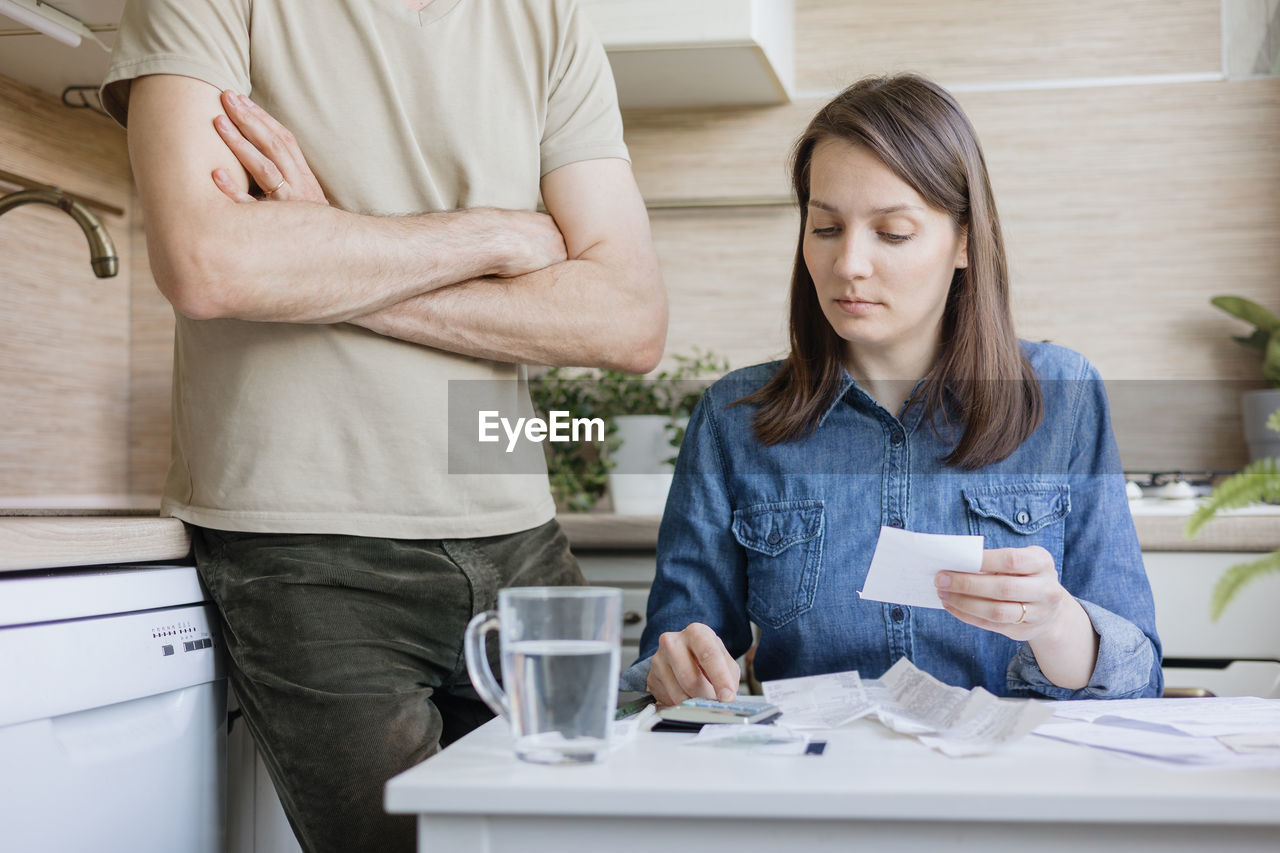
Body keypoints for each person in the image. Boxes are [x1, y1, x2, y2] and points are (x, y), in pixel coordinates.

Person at [100, 1, 666, 851]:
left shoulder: (547, 16)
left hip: (519, 531)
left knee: (584, 840)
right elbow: (209, 264)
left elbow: (627, 321)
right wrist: (493, 237)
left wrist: (327, 245)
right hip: (306, 546)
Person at [621, 73, 1161, 706]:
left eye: (893, 233)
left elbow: (1137, 678)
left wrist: (1055, 623)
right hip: (818, 786)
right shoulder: (733, 417)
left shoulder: (1063, 394)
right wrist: (673, 672)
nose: (848, 263)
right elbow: (661, 665)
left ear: (964, 240)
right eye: (825, 229)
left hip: (1010, 788)